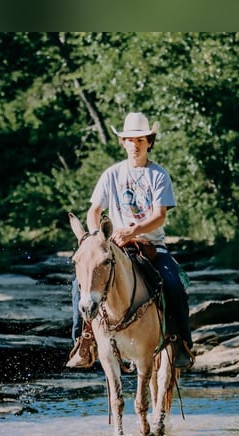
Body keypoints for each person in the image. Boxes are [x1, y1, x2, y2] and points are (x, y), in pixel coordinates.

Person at [67, 112, 193, 369]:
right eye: (129, 140)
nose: (134, 145)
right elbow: (94, 212)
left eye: (140, 140)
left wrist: (132, 232)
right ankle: (84, 341)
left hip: (150, 247)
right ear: (123, 142)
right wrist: (96, 239)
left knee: (173, 285)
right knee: (79, 286)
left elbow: (158, 217)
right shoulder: (111, 174)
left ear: (149, 142)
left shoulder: (158, 176)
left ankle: (180, 343)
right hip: (113, 247)